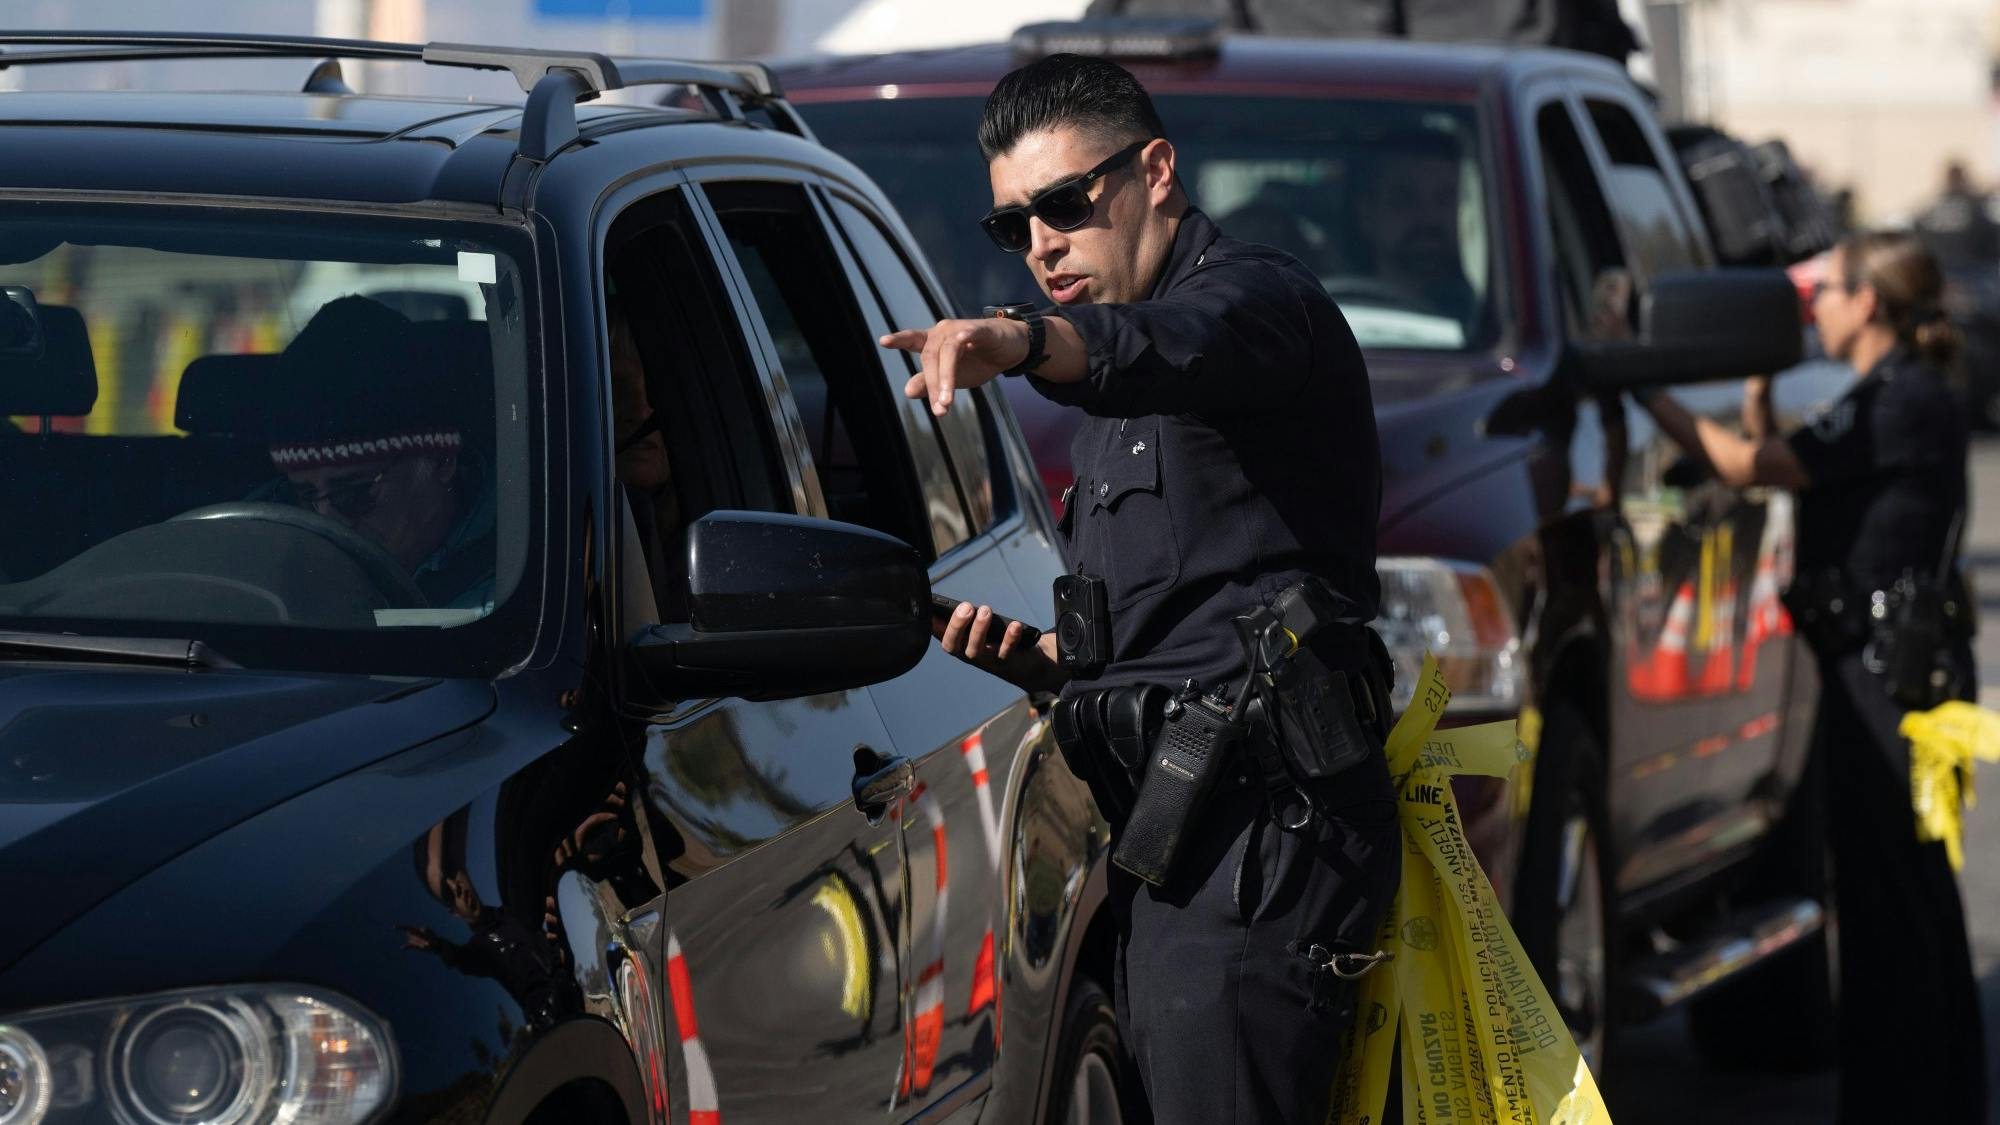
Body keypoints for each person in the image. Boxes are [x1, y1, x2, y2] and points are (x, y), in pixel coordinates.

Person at [881, 54, 1398, 1125]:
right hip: (1172, 858)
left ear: (1155, 171)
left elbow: (1169, 345)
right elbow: (1185, 626)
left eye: (1066, 204)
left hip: (1266, 852)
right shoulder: (1110, 395)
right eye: (1012, 226)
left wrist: (1022, 340)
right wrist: (1045, 665)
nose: (1040, 246)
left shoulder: (1255, 307)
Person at [1634, 230, 1987, 1123]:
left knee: (1891, 912)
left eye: (1827, 289)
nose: (1816, 305)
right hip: (1889, 673)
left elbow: (1753, 469)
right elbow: (1792, 468)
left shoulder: (1899, 399)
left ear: (1869, 303)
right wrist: (1757, 387)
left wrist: (1642, 385)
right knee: (1906, 902)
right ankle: (1936, 1097)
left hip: (1889, 686)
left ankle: (1906, 1102)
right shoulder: (1892, 395)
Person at [264, 295, 496, 610]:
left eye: (353, 493)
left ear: (442, 461)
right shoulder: (260, 529)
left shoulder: (518, 579)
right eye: (305, 497)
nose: (326, 522)